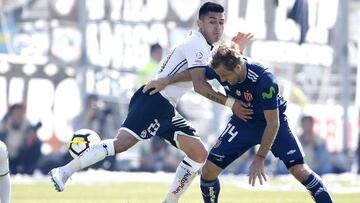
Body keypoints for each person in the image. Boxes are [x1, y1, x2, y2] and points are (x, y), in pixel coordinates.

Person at [49, 2, 252, 203]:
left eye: (221, 23)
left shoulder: (204, 47)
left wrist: (234, 49)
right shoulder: (197, 45)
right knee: (121, 144)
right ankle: (64, 171)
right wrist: (231, 103)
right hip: (154, 100)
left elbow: (203, 74)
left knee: (198, 153)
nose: (217, 27)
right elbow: (200, 84)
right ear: (200, 23)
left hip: (165, 106)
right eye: (212, 22)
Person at [145, 42, 333, 203]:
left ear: (238, 68)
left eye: (225, 77)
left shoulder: (264, 79)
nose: (223, 80)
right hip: (242, 123)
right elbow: (196, 76)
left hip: (272, 124)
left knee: (299, 170)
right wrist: (166, 80)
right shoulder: (221, 68)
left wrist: (259, 158)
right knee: (208, 172)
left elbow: (273, 123)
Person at [0, 103, 42, 175]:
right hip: (7, 156)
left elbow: (30, 141)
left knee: (37, 143)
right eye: (15, 113)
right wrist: (6, 131)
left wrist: (30, 137)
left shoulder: (26, 124)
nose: (17, 116)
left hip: (20, 156)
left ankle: (29, 170)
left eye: (19, 114)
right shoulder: (4, 123)